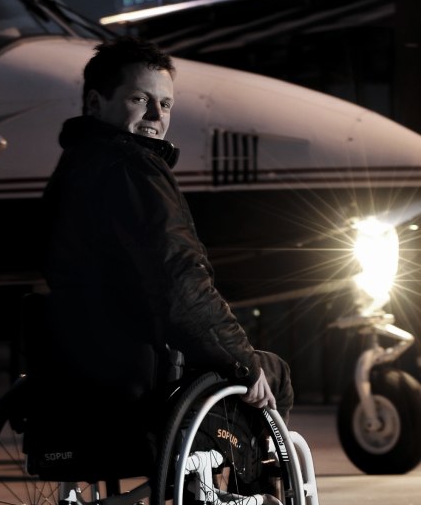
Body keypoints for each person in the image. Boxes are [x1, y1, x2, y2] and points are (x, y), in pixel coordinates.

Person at [41, 36, 294, 417]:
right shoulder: (135, 169)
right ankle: (262, 477)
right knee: (273, 373)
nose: (157, 116)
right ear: (95, 102)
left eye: (166, 104)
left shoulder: (67, 173)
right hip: (139, 375)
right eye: (139, 100)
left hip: (75, 373)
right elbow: (179, 282)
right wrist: (242, 361)